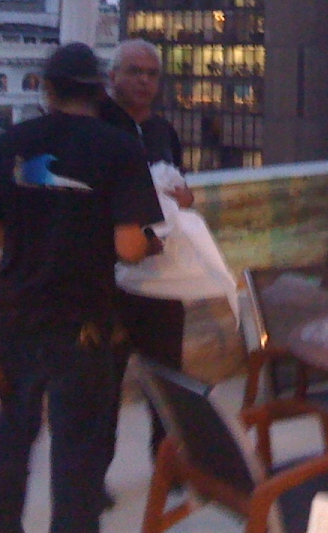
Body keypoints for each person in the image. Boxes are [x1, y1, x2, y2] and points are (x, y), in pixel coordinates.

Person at [0, 42, 162, 533]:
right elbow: (129, 246)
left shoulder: (15, 140)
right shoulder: (119, 147)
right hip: (82, 322)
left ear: (47, 89)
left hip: (12, 313)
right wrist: (148, 243)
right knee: (77, 449)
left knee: (11, 435)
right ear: (99, 92)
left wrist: (38, 231)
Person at [98, 39, 191, 487]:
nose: (144, 81)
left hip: (159, 277)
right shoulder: (96, 128)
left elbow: (178, 189)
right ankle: (90, 480)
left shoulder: (162, 131)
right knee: (102, 386)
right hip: (107, 280)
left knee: (168, 379)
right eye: (135, 71)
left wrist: (186, 199)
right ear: (112, 75)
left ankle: (168, 465)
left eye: (152, 74)